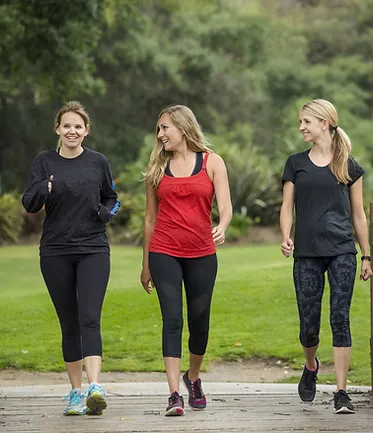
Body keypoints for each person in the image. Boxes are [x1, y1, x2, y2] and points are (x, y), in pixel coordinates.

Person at [22, 101, 120, 416]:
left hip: (93, 248)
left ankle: (95, 387)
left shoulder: (98, 162)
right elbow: (29, 203)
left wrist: (105, 213)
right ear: (58, 129)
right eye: (66, 126)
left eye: (78, 126)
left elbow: (112, 197)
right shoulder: (43, 162)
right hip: (55, 251)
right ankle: (76, 393)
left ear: (86, 130)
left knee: (89, 317)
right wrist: (44, 189)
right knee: (69, 323)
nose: (72, 131)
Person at [280, 99, 372, 414]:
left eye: (306, 121)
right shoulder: (295, 162)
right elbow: (286, 207)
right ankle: (311, 365)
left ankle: (341, 392)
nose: (301, 127)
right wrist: (285, 236)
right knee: (309, 326)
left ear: (324, 123)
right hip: (306, 253)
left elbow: (359, 215)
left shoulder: (349, 165)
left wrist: (366, 255)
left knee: (340, 318)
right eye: (300, 121)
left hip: (342, 251)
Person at [140, 104, 232, 416]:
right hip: (164, 251)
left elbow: (226, 205)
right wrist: (145, 265)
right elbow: (149, 220)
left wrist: (222, 225)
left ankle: (192, 378)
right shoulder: (156, 167)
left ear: (183, 127)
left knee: (199, 323)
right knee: (173, 320)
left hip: (202, 253)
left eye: (165, 127)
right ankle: (174, 395)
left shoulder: (212, 162)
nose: (160, 134)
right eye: (159, 129)